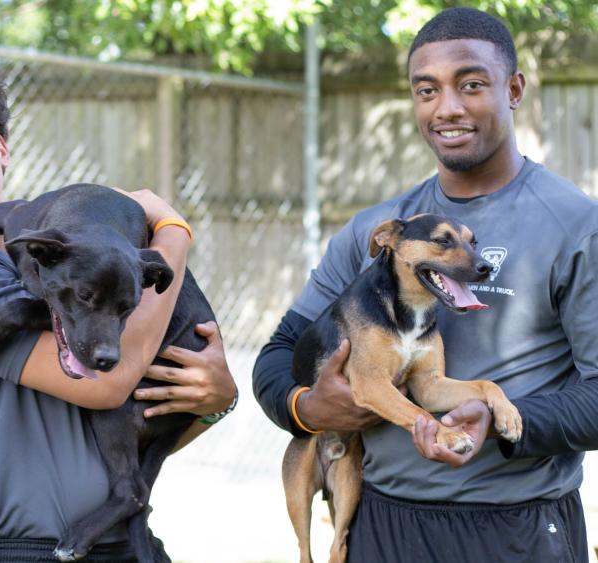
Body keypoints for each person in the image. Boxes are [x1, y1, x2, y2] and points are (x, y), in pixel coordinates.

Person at [0, 55, 237, 562]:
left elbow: (125, 423)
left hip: (110, 540)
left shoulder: (54, 244)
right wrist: (175, 235)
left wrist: (215, 404)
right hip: (20, 550)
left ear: (0, 147)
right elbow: (109, 382)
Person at [254, 7, 598, 562]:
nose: (448, 107)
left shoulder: (578, 226)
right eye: (426, 89)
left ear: (513, 89)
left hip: (520, 531)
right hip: (380, 524)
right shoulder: (380, 230)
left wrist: (504, 421)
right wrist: (308, 408)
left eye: (471, 84)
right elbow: (277, 356)